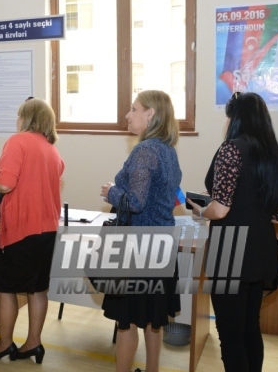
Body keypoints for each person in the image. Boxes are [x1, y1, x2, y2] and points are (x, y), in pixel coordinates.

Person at [188, 92, 278, 372]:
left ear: (236, 119)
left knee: (230, 333)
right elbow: (276, 212)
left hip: (231, 251)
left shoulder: (231, 149)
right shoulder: (276, 157)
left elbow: (219, 209)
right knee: (250, 328)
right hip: (262, 250)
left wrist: (199, 209)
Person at [99, 90, 182, 372]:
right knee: (152, 319)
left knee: (127, 321)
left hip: (139, 249)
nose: (127, 115)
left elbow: (135, 202)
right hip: (162, 245)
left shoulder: (145, 151)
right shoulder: (169, 151)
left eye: (133, 109)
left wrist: (111, 192)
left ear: (150, 115)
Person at [0, 98, 64, 365]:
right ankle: (33, 343)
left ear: (27, 118)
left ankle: (5, 343)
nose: (16, 121)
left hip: (20, 230)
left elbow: (5, 184)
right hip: (48, 229)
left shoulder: (18, 141)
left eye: (19, 116)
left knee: (6, 288)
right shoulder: (52, 150)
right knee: (37, 289)